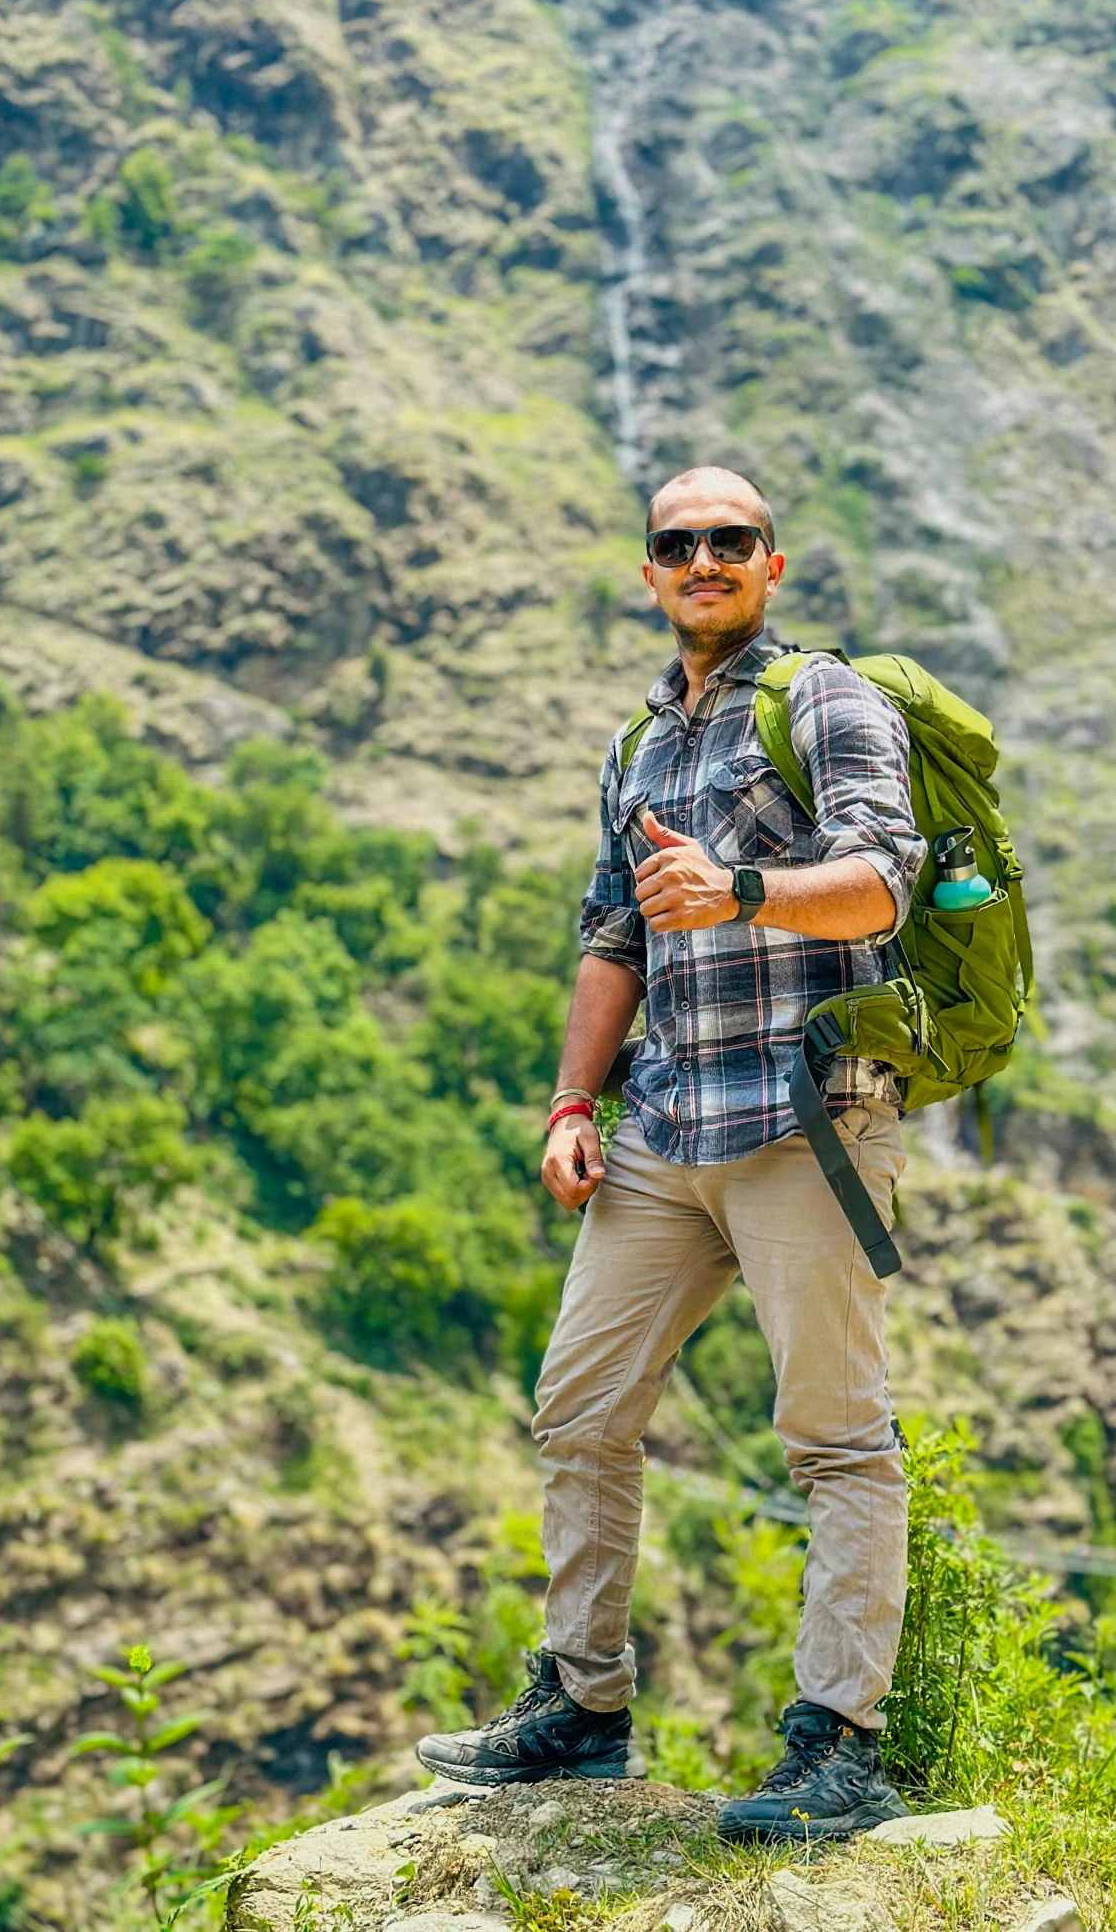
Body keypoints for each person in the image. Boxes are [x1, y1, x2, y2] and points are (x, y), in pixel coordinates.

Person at [416, 467, 925, 1840]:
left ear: (770, 559)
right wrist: (569, 1106)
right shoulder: (637, 742)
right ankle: (582, 1710)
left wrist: (743, 887)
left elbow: (888, 871)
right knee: (578, 1410)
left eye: (727, 540)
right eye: (675, 543)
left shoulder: (821, 700)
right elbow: (611, 934)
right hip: (661, 1127)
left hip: (805, 1123)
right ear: (648, 571)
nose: (701, 558)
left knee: (832, 1438)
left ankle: (840, 1751)